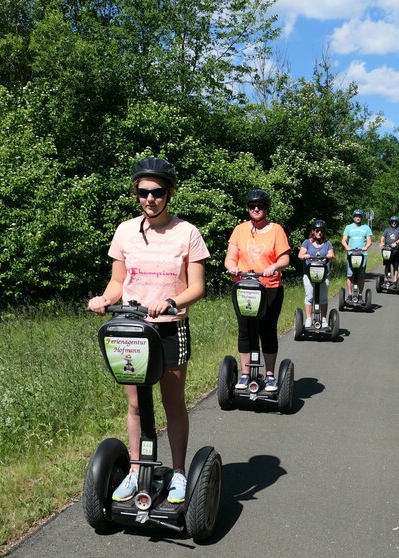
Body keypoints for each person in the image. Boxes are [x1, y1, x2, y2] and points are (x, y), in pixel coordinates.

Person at [87, 157, 210, 504]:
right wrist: (103, 299)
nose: (150, 198)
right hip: (131, 329)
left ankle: (180, 474)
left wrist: (171, 301)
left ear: (169, 193)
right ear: (136, 193)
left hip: (170, 329)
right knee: (136, 406)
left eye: (157, 191)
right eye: (143, 192)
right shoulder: (125, 230)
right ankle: (135, 468)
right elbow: (117, 281)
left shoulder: (187, 233)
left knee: (173, 403)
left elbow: (197, 287)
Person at [224, 189, 291, 392]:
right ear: (248, 208)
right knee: (245, 331)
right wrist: (231, 267)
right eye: (252, 206)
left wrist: (274, 267)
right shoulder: (240, 230)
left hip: (270, 287)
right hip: (244, 287)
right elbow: (230, 257)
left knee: (267, 331)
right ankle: (245, 374)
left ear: (266, 208)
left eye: (260, 206)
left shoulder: (276, 230)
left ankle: (270, 376)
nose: (255, 209)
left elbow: (285, 258)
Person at [297, 219, 335, 328]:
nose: (319, 233)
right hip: (309, 274)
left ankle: (323, 319)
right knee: (309, 296)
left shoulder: (327, 244)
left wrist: (330, 256)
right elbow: (300, 255)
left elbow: (332, 255)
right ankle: (308, 318)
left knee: (323, 297)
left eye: (321, 231)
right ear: (313, 231)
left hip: (324, 275)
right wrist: (305, 256)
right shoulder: (307, 242)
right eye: (317, 230)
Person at [341, 208, 373, 300]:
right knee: (350, 275)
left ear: (361, 217)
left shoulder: (366, 228)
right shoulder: (348, 227)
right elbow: (344, 240)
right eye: (356, 216)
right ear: (353, 217)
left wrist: (365, 247)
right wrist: (347, 247)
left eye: (359, 216)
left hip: (362, 254)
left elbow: (369, 241)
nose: (357, 218)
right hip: (351, 254)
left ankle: (360, 295)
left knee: (361, 275)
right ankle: (350, 295)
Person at [379, 215, 399, 281]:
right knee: (387, 265)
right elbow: (383, 236)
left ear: (397, 222)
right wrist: (382, 242)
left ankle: (395, 281)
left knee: (395, 266)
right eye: (392, 222)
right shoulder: (387, 229)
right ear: (390, 222)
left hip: (396, 251)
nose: (394, 223)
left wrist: (396, 243)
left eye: (395, 222)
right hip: (387, 250)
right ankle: (386, 279)